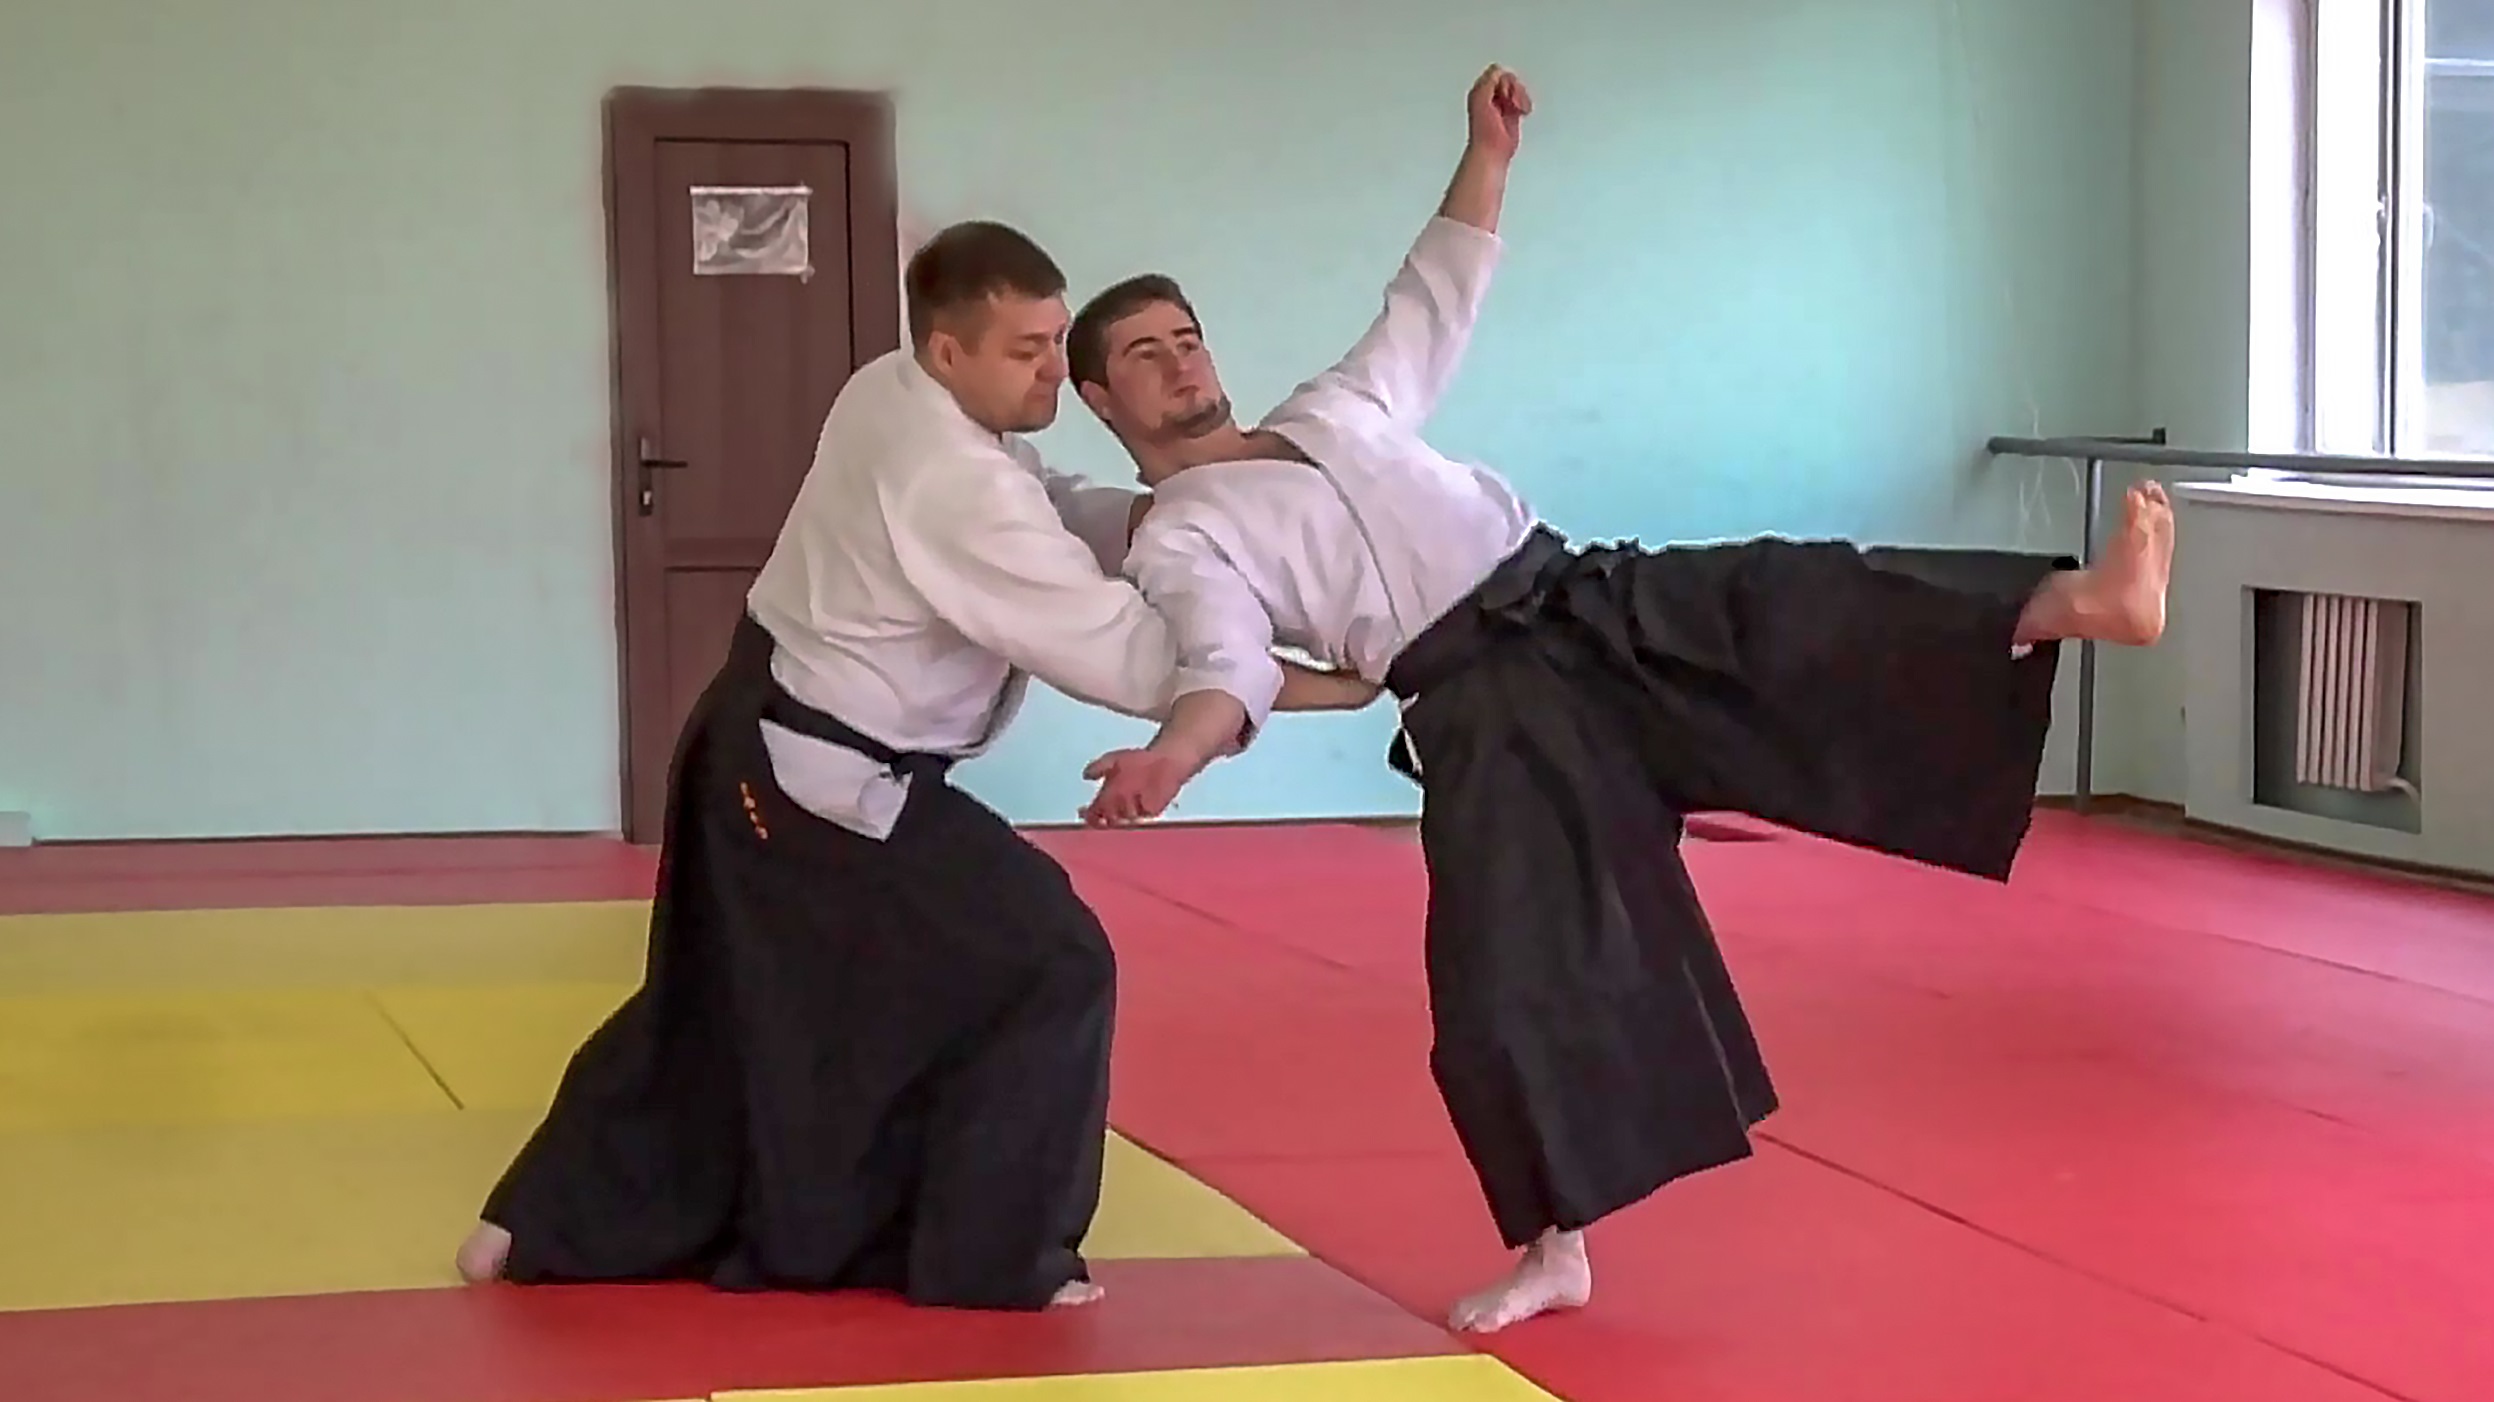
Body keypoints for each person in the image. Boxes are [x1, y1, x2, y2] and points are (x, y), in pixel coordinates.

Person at [1063, 64, 2177, 1333]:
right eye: (1143, 355)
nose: (1179, 362)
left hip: (1580, 597)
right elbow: (1225, 663)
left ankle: (2076, 602)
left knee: (1795, 601)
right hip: (1484, 705)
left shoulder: (1332, 406)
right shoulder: (1180, 534)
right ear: (1102, 399)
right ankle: (1556, 1245)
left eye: (1186, 336)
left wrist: (1488, 153)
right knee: (1507, 973)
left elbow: (1435, 291)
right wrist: (1171, 761)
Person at [454, 219, 1371, 1313]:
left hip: (760, 743)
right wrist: (1329, 686)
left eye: (1055, 340)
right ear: (948, 350)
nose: (1052, 369)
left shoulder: (893, 389)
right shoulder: (949, 482)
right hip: (811, 781)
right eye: (1025, 350)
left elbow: (1048, 499)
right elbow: (1122, 653)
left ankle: (539, 1220)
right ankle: (993, 1258)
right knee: (1047, 960)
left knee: (734, 990)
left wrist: (1166, 516)